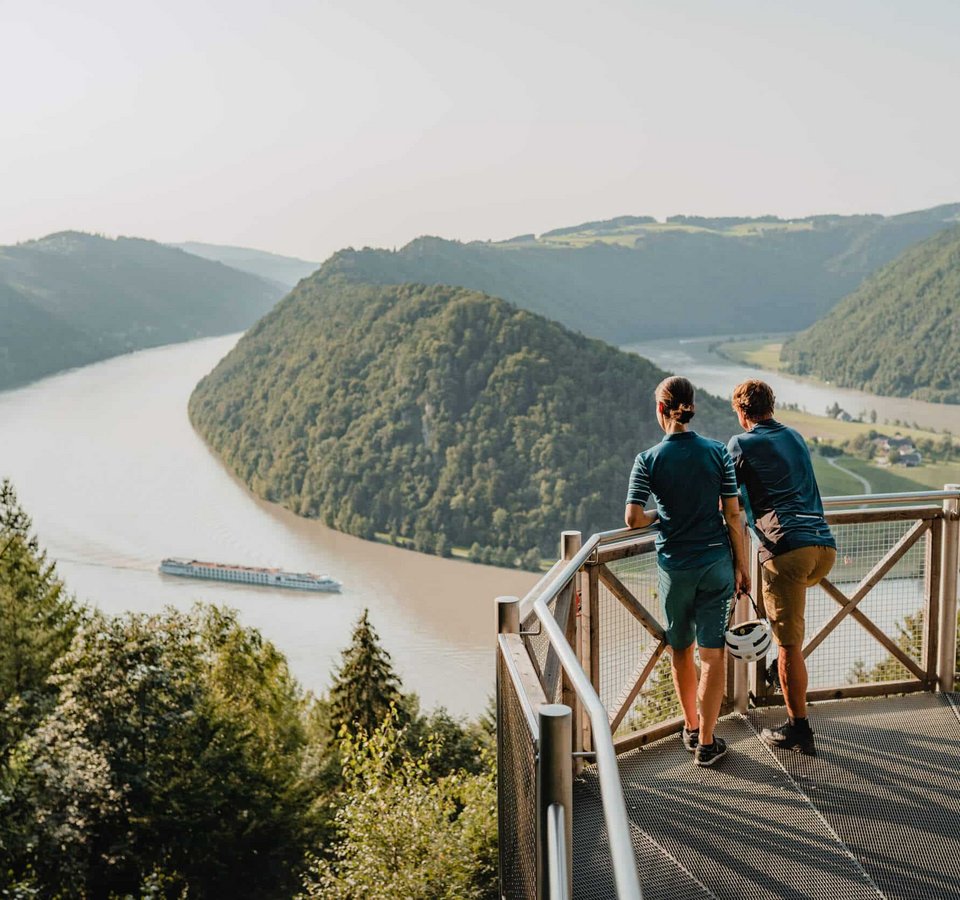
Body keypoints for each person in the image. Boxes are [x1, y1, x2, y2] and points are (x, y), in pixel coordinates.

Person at [625, 376, 749, 767]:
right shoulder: (717, 453)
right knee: (713, 655)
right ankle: (708, 743)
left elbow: (632, 519)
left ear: (661, 410)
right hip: (717, 564)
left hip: (676, 567)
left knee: (682, 649)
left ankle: (691, 726)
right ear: (691, 407)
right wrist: (741, 564)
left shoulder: (648, 459)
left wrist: (661, 514)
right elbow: (732, 512)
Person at [727, 379, 836, 755]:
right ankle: (782, 667)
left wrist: (738, 562)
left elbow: (729, 503)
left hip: (786, 549)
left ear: (742, 413)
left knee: (789, 643)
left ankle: (799, 729)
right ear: (770, 406)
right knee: (788, 636)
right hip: (823, 546)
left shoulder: (741, 443)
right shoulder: (795, 437)